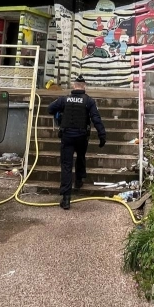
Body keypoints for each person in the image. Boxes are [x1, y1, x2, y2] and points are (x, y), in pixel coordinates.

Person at [48, 76, 106, 210]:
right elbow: (96, 118)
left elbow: (50, 109)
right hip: (81, 136)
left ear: (74, 86)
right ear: (84, 86)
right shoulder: (89, 101)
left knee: (66, 165)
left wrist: (61, 112)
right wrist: (102, 135)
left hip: (67, 136)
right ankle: (79, 180)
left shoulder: (64, 99)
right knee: (80, 157)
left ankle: (66, 198)